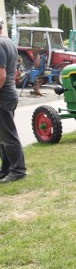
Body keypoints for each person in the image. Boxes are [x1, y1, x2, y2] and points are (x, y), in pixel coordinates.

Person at [0, 24, 27, 183]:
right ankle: (6, 169)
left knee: (8, 136)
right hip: (9, 94)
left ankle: (18, 171)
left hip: (3, 96)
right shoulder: (8, 42)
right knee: (3, 136)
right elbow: (14, 72)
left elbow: (1, 75)